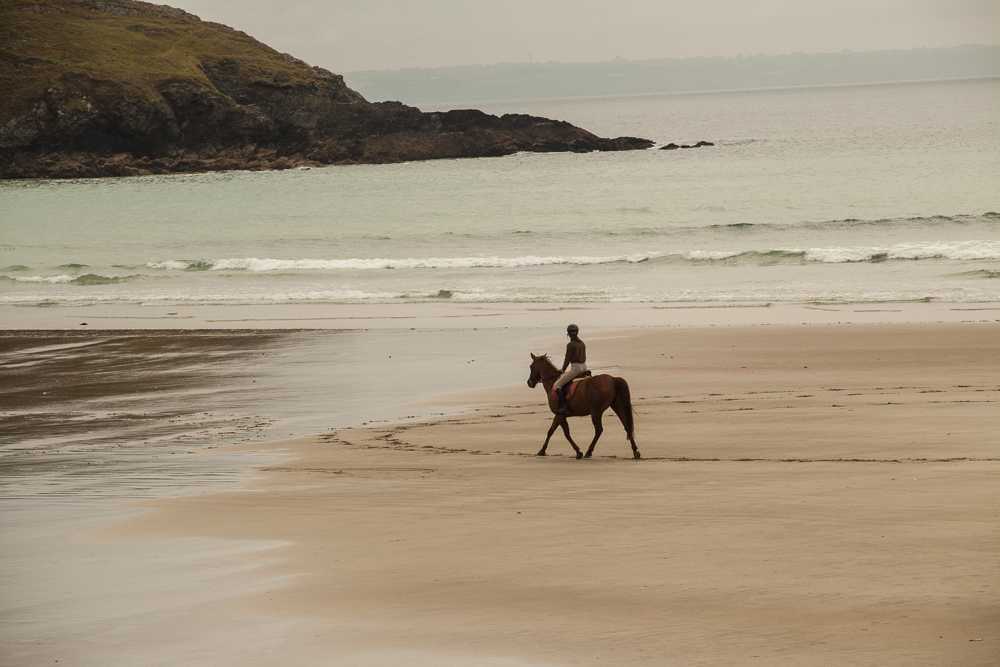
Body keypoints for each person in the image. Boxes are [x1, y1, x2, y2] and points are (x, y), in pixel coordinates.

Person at [553, 324, 587, 414]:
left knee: (557, 386)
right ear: (577, 333)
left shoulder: (570, 344)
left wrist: (563, 369)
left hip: (576, 368)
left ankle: (565, 407)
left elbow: (567, 359)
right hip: (584, 367)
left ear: (568, 334)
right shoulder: (582, 343)